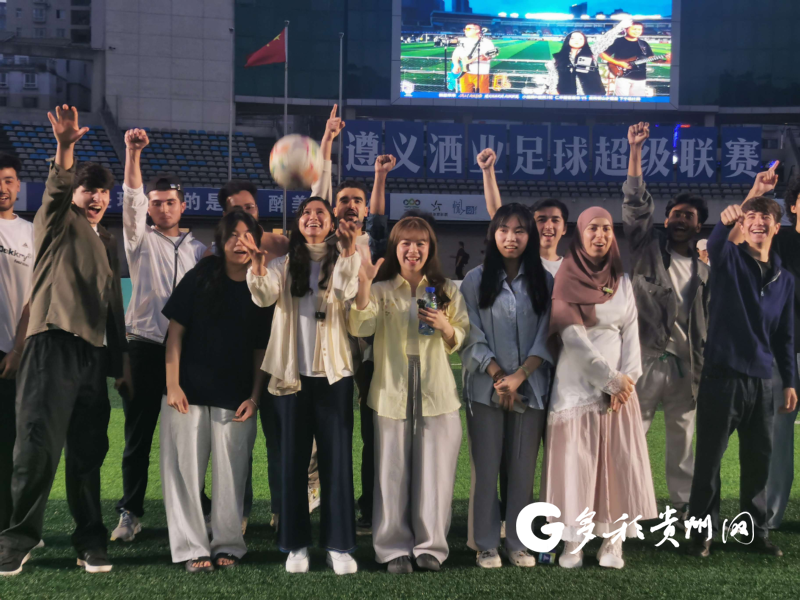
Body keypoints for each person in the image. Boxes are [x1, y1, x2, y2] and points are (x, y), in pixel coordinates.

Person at [0, 106, 131, 576]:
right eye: (88, 189)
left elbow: (113, 306)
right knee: (36, 447)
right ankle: (18, 539)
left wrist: (121, 364)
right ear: (74, 193)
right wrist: (64, 147)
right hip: (51, 344)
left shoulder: (106, 239)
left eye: (103, 191)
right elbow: (55, 188)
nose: (96, 197)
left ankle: (90, 541)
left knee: (88, 452)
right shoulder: (55, 221)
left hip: (93, 355)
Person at [243, 197, 361, 575]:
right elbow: (263, 296)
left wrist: (349, 251)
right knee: (292, 463)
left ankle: (338, 545)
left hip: (334, 377)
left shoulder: (345, 258)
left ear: (331, 223)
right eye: (306, 213)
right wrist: (257, 267)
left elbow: (344, 292)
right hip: (290, 378)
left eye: (320, 213)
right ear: (298, 222)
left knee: (337, 462)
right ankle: (296, 545)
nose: (312, 218)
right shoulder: (281, 264)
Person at [349, 216, 468, 574]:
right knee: (391, 473)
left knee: (436, 473)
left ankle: (431, 547)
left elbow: (462, 336)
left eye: (420, 243)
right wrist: (364, 284)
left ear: (430, 248)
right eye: (406, 243)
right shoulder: (382, 289)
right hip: (391, 391)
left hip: (437, 392)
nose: (413, 250)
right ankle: (392, 548)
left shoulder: (445, 289)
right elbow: (361, 325)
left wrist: (445, 326)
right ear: (395, 247)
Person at [542, 206, 656, 570]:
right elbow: (571, 336)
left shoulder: (622, 281)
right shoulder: (565, 276)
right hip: (576, 386)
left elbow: (631, 332)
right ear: (580, 233)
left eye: (606, 228)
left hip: (620, 393)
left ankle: (613, 542)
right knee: (575, 464)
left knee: (617, 466)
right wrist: (609, 379)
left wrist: (627, 380)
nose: (600, 235)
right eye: (593, 228)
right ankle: (573, 541)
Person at [160, 210, 271, 572]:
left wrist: (255, 396)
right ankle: (191, 547)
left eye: (247, 235)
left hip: (236, 398)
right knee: (184, 474)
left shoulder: (262, 286)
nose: (240, 242)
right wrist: (172, 385)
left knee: (232, 475)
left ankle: (228, 544)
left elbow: (261, 349)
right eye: (232, 235)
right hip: (187, 393)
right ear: (221, 242)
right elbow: (175, 333)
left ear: (257, 242)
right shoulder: (201, 275)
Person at [689, 194, 796, 558]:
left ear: (776, 228)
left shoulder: (785, 279)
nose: (757, 222)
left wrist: (789, 381)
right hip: (722, 375)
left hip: (763, 381)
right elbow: (716, 245)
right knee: (709, 461)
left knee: (758, 462)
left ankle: (755, 533)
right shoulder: (729, 259)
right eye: (750, 217)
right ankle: (701, 535)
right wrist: (724, 222)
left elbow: (784, 336)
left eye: (765, 218)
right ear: (743, 225)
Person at [112, 129, 207, 543]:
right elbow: (131, 200)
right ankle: (130, 511)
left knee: (188, 437)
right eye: (156, 203)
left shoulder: (201, 252)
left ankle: (194, 506)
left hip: (187, 354)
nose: (163, 208)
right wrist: (132, 154)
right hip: (144, 347)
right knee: (138, 436)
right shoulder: (139, 241)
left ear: (183, 205)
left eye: (170, 202)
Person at [621, 122, 710, 524]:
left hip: (687, 367)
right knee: (632, 434)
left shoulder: (707, 271)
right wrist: (636, 152)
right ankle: (627, 504)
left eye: (687, 216)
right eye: (674, 214)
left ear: (699, 225)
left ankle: (684, 506)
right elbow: (636, 205)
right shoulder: (647, 250)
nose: (678, 219)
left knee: (683, 439)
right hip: (645, 359)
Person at [312, 103, 393, 534]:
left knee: (373, 430)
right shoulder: (324, 239)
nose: (349, 206)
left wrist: (379, 177)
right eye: (342, 200)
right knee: (335, 429)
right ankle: (327, 502)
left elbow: (379, 217)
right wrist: (327, 142)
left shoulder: (374, 241)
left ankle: (369, 507)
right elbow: (319, 191)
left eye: (355, 201)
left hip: (373, 346)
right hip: (332, 345)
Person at [460, 204, 552, 569]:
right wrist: (500, 376)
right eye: (503, 230)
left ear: (530, 237)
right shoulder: (474, 280)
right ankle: (485, 543)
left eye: (519, 231)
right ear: (492, 234)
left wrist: (520, 376)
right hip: (486, 389)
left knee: (522, 471)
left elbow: (548, 334)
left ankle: (518, 542)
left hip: (531, 388)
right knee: (485, 469)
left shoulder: (545, 281)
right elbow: (470, 334)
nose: (510, 238)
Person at [0, 154, 33, 533]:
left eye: (8, 180)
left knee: (14, 446)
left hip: (14, 355)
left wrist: (19, 349)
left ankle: (12, 527)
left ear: (18, 185)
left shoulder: (31, 233)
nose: (2, 188)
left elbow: (33, 299)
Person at [766, 172, 800, 530]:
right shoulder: (780, 242)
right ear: (793, 205)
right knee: (778, 437)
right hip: (785, 355)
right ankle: (770, 515)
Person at [479, 147, 568, 276]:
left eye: (555, 220)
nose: (548, 226)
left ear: (564, 228)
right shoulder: (519, 262)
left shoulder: (572, 270)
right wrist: (488, 171)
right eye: (541, 220)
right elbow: (497, 214)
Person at [600, 22, 669, 97]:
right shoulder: (618, 41)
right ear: (626, 29)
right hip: (623, 76)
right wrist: (619, 63)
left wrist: (666, 60)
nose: (637, 31)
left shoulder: (643, 44)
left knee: (637, 101)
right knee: (622, 101)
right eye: (634, 29)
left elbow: (650, 58)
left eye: (639, 29)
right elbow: (603, 54)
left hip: (640, 78)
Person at [552, 31, 605, 96]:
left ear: (585, 41)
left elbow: (607, 39)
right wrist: (553, 90)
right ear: (568, 40)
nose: (576, 41)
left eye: (580, 39)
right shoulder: (558, 57)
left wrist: (618, 27)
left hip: (592, 95)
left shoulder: (592, 52)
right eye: (573, 38)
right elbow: (553, 75)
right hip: (567, 96)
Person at [451, 23, 498, 94]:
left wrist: (476, 59)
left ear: (477, 30)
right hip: (464, 73)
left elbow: (489, 57)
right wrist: (456, 64)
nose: (465, 30)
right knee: (464, 96)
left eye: (468, 29)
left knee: (483, 95)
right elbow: (455, 54)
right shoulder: (463, 41)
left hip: (481, 73)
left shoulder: (487, 42)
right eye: (465, 29)